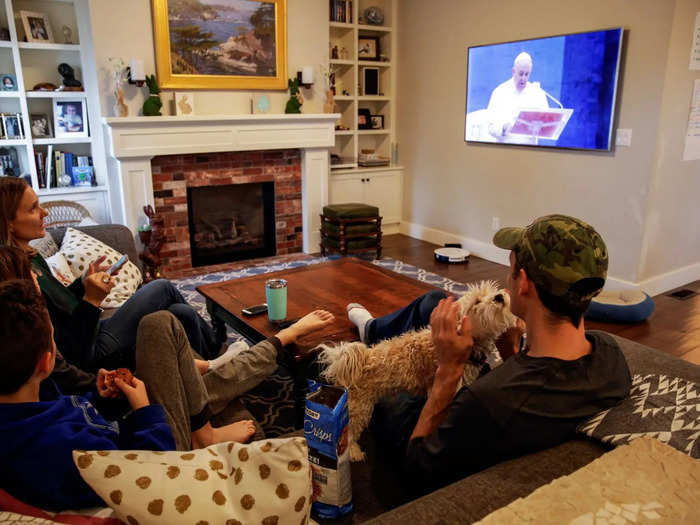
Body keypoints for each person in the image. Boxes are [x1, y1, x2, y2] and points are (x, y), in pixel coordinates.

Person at [346, 214, 632, 491]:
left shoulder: (487, 400)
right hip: (508, 367)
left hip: (422, 421)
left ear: (523, 284)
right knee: (435, 302)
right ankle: (372, 329)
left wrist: (448, 368)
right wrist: (512, 351)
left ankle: (368, 340)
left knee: (381, 376)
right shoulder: (609, 353)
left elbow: (417, 468)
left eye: (511, 270)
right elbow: (537, 371)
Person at [0, 278, 335, 510]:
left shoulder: (29, 402)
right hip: (162, 444)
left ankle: (208, 401)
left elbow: (73, 409)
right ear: (46, 361)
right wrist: (144, 409)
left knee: (162, 325)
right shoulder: (55, 449)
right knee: (177, 340)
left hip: (126, 418)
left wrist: (99, 397)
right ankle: (207, 424)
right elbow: (151, 471)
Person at [0, 176, 222, 373]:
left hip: (94, 330)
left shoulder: (32, 258)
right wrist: (92, 300)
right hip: (90, 350)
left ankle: (211, 364)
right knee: (162, 287)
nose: (44, 212)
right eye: (33, 208)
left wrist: (83, 284)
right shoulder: (15, 275)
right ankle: (218, 353)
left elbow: (61, 304)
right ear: (8, 223)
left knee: (180, 311)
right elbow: (67, 343)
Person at [486, 52, 549, 143]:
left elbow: (546, 123)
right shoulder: (500, 92)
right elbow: (490, 126)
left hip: (530, 151)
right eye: (521, 74)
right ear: (513, 71)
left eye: (527, 74)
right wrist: (503, 128)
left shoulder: (537, 93)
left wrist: (537, 126)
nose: (523, 78)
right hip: (504, 150)